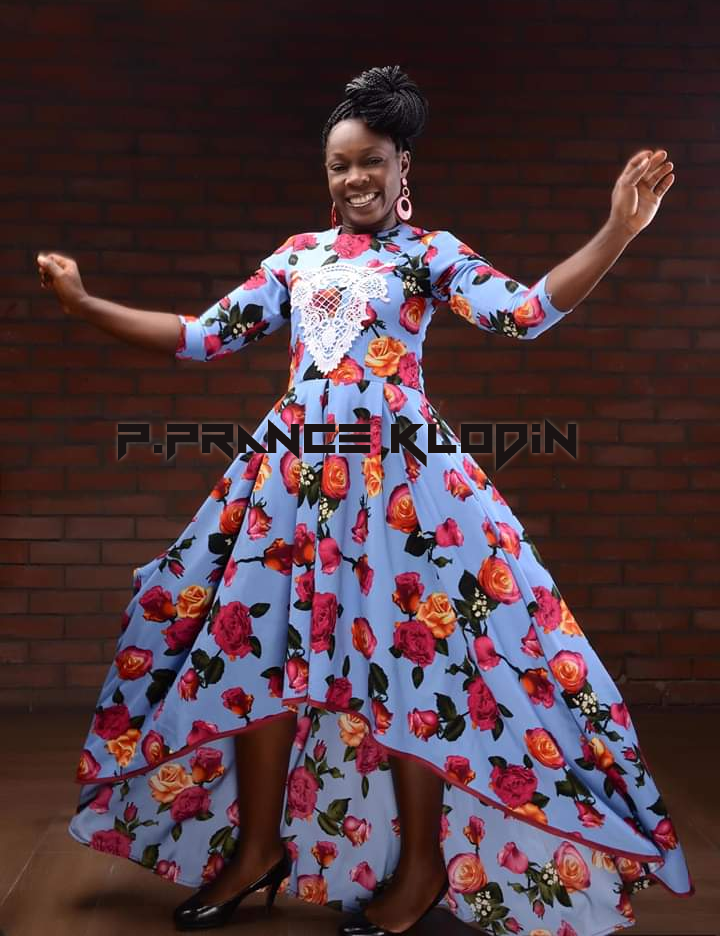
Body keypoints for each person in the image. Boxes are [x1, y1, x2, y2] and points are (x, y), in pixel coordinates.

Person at [38, 65, 692, 936]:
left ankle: (421, 868)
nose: (356, 178)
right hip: (290, 486)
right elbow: (199, 338)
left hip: (402, 495)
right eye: (340, 164)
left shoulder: (430, 255)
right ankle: (256, 851)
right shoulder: (296, 257)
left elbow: (528, 312)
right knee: (253, 651)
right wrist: (84, 305)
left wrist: (619, 228)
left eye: (372, 161)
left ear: (401, 166)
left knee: (414, 661)